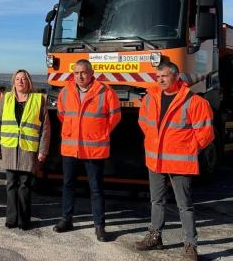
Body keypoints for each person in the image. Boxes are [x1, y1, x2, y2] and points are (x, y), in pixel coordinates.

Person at [134, 61, 214, 261]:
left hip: (180, 161)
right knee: (156, 201)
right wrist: (154, 144)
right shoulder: (150, 98)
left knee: (184, 205)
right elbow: (144, 123)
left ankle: (190, 245)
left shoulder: (194, 101)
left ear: (176, 77)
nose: (160, 80)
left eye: (165, 76)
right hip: (155, 159)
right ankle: (155, 237)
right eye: (158, 76)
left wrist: (188, 149)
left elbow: (205, 133)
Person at [53, 59, 121, 242]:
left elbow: (115, 115)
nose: (79, 76)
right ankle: (66, 220)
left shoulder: (105, 92)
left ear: (91, 73)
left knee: (96, 188)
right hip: (70, 148)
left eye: (83, 72)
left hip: (94, 149)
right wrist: (72, 131)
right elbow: (61, 114)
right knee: (68, 185)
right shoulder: (66, 91)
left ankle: (99, 226)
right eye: (76, 73)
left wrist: (102, 133)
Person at [0, 69, 50, 230]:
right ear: (13, 82)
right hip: (8, 148)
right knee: (10, 184)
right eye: (17, 79)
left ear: (29, 81)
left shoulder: (39, 100)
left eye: (24, 79)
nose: (20, 81)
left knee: (25, 185)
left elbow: (45, 128)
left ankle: (24, 220)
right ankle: (11, 219)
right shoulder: (7, 98)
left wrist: (43, 150)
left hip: (27, 149)